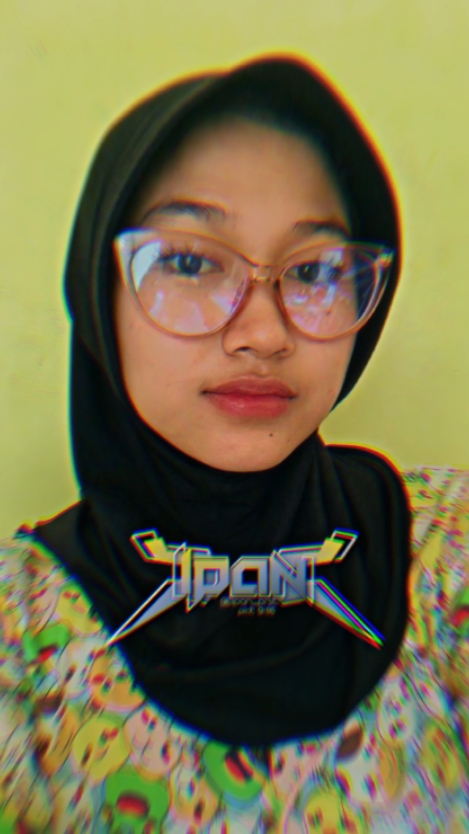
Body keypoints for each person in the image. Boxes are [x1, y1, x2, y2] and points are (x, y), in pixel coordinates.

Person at [0, 55, 468, 833]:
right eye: (188, 262)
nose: (262, 333)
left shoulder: (443, 552)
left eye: (314, 269)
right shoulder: (21, 633)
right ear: (97, 290)